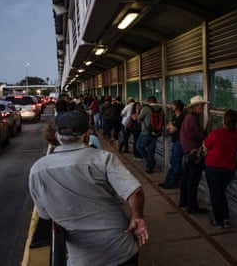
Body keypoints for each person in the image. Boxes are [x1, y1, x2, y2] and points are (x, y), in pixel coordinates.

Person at [28, 111, 148, 265]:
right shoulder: (103, 158)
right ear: (86, 135)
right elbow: (135, 191)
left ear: (57, 136)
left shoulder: (38, 169)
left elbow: (45, 214)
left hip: (82, 257)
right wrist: (137, 217)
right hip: (120, 248)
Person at [204, 109, 237, 228]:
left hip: (213, 167)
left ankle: (219, 219)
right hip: (229, 168)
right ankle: (225, 218)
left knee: (216, 194)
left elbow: (205, 146)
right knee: (221, 192)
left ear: (224, 120)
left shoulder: (216, 133)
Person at [179, 95, 213, 214]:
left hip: (187, 152)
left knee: (186, 178)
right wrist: (208, 126)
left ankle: (183, 200)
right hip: (193, 153)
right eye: (201, 106)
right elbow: (202, 135)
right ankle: (192, 206)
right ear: (195, 107)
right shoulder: (193, 118)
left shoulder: (189, 117)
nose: (203, 108)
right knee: (193, 180)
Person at [158, 100, 185, 189]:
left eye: (173, 105)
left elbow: (173, 129)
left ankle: (173, 182)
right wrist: (171, 127)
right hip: (174, 142)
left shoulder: (181, 117)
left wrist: (171, 127)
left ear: (177, 107)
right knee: (173, 162)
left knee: (176, 163)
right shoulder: (175, 116)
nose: (171, 107)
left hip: (179, 142)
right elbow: (168, 127)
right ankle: (168, 181)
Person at [136, 96, 162, 173]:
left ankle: (150, 161)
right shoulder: (160, 110)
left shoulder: (146, 109)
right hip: (156, 133)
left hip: (145, 132)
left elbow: (138, 119)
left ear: (149, 101)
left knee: (139, 147)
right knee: (151, 150)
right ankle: (149, 167)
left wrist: (138, 111)